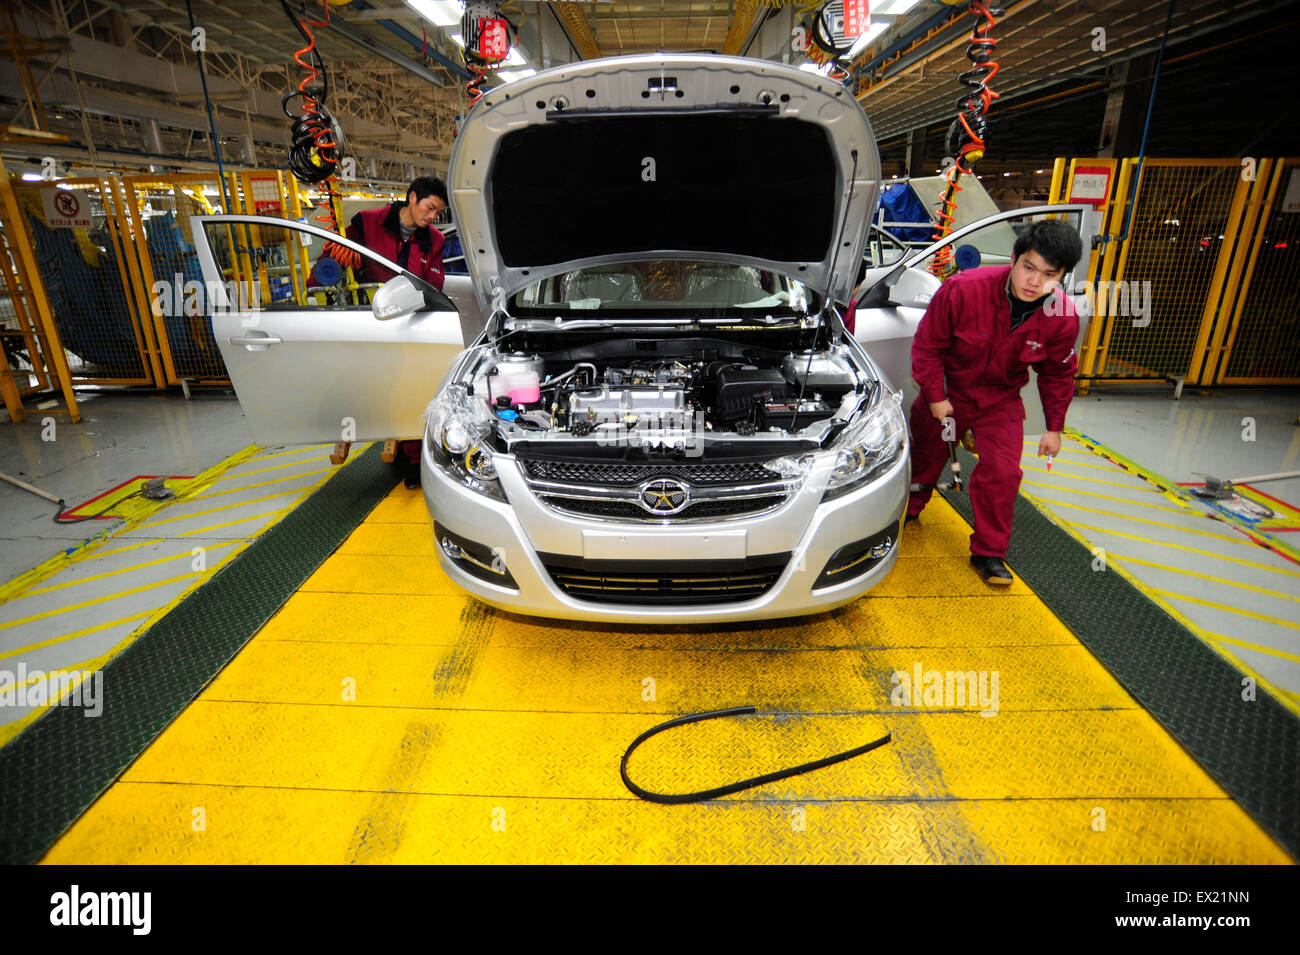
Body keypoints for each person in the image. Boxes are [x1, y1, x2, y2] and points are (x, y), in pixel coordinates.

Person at [905, 220, 1083, 585]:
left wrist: (1054, 427)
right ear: (1015, 259)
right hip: (949, 391)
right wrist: (936, 397)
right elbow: (928, 347)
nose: (1035, 282)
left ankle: (989, 552)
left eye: (1049, 274)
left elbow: (1058, 373)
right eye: (1028, 268)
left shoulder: (1062, 317)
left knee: (1002, 473)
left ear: (1062, 276)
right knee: (925, 459)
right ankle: (908, 510)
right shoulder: (962, 290)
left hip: (999, 400)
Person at [321, 176, 449, 488]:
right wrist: (333, 258)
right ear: (413, 198)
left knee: (413, 390)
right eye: (430, 208)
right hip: (366, 325)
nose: (432, 217)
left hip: (407, 327)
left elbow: (434, 285)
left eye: (437, 213)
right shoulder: (367, 223)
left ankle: (415, 460)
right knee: (372, 388)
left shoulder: (434, 241)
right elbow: (329, 260)